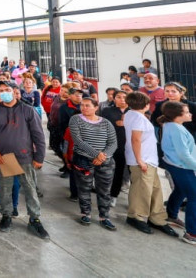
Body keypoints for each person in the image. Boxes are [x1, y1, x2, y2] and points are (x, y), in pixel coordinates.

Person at [0, 80, 49, 239]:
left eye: (7, 89)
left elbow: (38, 135)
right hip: (4, 157)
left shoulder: (27, 110)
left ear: (15, 91)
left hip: (25, 156)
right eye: (0, 90)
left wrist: (39, 156)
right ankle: (6, 215)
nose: (4, 92)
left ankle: (34, 218)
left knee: (29, 188)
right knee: (5, 189)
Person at [123, 91, 178, 237]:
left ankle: (157, 218)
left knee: (154, 190)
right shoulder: (139, 119)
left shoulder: (130, 114)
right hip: (143, 160)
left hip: (148, 160)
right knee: (142, 190)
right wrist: (140, 160)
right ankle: (136, 216)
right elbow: (136, 140)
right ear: (147, 105)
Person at [68, 96, 118, 230]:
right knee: (84, 188)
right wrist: (97, 154)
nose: (83, 108)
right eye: (82, 105)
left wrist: (103, 156)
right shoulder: (76, 120)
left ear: (96, 107)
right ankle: (86, 213)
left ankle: (104, 216)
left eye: (87, 105)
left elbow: (113, 143)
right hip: (83, 160)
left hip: (105, 161)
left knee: (105, 190)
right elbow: (78, 141)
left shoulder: (106, 123)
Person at [158, 101, 196, 245]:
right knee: (194, 197)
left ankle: (172, 215)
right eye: (187, 112)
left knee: (181, 190)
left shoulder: (172, 126)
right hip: (181, 165)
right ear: (177, 115)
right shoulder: (176, 129)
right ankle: (192, 233)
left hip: (176, 164)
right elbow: (183, 154)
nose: (190, 114)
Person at [102, 90, 129, 207]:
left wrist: (126, 123)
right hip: (113, 145)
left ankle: (117, 196)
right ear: (114, 99)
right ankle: (109, 194)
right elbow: (102, 125)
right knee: (112, 171)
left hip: (130, 146)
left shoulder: (133, 112)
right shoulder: (107, 111)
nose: (122, 99)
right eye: (118, 97)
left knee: (125, 173)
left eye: (124, 97)